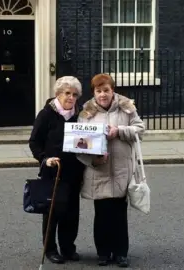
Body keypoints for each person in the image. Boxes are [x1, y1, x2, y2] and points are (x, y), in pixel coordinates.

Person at [76, 73, 145, 267]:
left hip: (122, 169)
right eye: (98, 91)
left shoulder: (126, 108)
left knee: (119, 215)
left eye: (106, 90)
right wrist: (95, 159)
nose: (103, 95)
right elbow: (80, 143)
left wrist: (119, 131)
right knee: (102, 215)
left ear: (112, 90)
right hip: (99, 171)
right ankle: (104, 253)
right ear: (94, 93)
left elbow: (140, 129)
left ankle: (121, 253)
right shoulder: (86, 113)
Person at [28, 76, 85, 264]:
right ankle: (50, 249)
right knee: (52, 211)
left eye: (74, 94)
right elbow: (34, 142)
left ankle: (68, 247)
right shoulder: (46, 114)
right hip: (53, 170)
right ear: (58, 94)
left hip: (74, 170)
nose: (71, 97)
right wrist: (45, 159)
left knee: (71, 212)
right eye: (67, 93)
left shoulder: (80, 114)